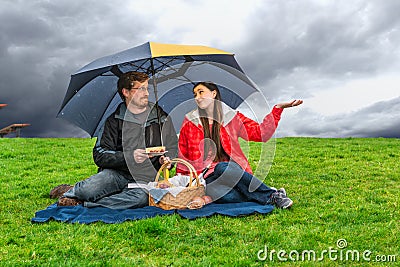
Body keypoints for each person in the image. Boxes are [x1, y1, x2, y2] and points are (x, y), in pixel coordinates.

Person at [50, 71, 178, 209]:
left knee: (141, 199)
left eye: (147, 88)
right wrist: (130, 157)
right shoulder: (113, 121)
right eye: (140, 89)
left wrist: (166, 160)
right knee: (89, 189)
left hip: (146, 179)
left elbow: (172, 146)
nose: (146, 93)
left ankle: (84, 203)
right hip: (115, 174)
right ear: (126, 92)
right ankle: (73, 191)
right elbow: (100, 154)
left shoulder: (161, 118)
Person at [176, 81, 302, 209]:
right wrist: (181, 181)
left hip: (230, 169)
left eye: (201, 92)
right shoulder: (190, 121)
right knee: (224, 196)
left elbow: (260, 134)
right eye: (195, 94)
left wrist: (277, 109)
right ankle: (270, 192)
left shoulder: (231, 117)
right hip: (207, 177)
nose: (197, 97)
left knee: (222, 167)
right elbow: (183, 152)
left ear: (213, 93)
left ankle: (272, 196)